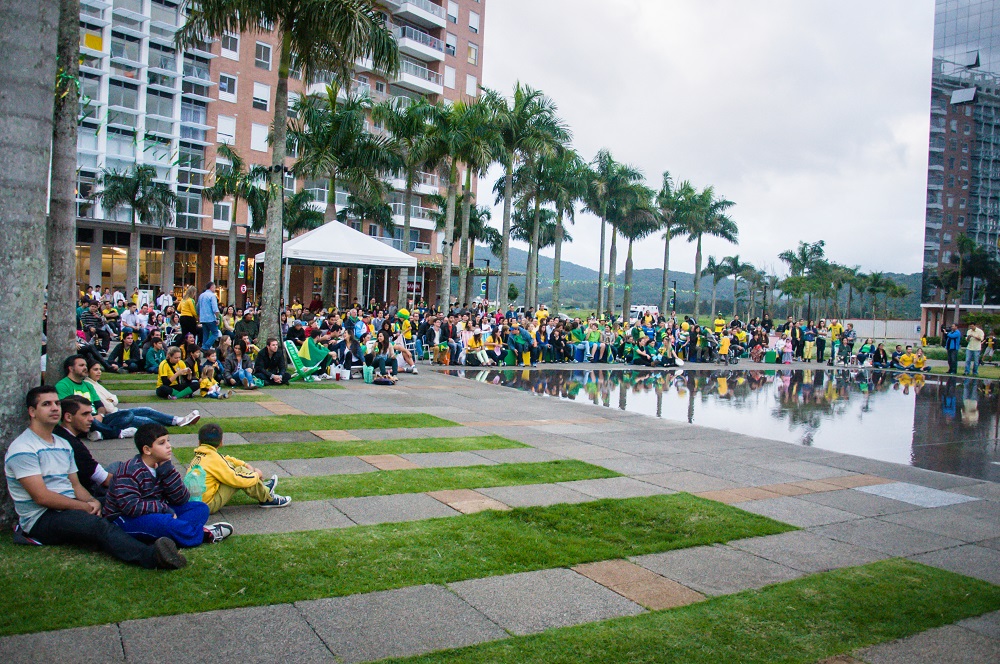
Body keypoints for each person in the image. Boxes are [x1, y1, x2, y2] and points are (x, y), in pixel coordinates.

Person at [5, 386, 187, 569]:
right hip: (42, 518)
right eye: (46, 404)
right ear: (32, 411)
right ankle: (151, 556)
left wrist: (93, 501)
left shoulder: (62, 443)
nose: (54, 408)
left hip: (70, 503)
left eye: (57, 403)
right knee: (98, 526)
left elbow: (75, 484)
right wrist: (84, 506)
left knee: (117, 503)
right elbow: (41, 497)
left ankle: (165, 532)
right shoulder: (23, 449)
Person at [104, 423, 232, 547]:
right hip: (124, 519)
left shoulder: (163, 465)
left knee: (200, 508)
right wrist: (164, 509)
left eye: (168, 441)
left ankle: (169, 534)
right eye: (162, 443)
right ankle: (204, 534)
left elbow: (181, 499)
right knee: (163, 522)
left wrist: (168, 472)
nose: (169, 446)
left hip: (155, 512)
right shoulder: (130, 470)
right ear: (147, 450)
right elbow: (130, 507)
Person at [87, 360, 200, 429]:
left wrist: (186, 374)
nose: (99, 372)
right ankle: (173, 423)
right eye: (95, 370)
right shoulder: (89, 385)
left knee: (147, 409)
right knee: (146, 420)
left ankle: (178, 420)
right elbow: (108, 405)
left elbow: (114, 399)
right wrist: (178, 373)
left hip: (115, 411)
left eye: (99, 369)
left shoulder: (95, 383)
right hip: (113, 414)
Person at [54, 396, 112, 496]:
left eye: (91, 413)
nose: (91, 419)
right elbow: (106, 480)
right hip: (87, 493)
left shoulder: (58, 433)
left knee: (118, 467)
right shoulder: (73, 446)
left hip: (76, 488)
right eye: (85, 414)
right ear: (68, 417)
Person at [197, 282, 221, 350]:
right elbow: (215, 308)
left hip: (203, 318)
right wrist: (217, 318)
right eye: (214, 287)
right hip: (210, 318)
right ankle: (205, 347)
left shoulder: (201, 295)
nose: (215, 288)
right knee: (215, 333)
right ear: (211, 287)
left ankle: (205, 351)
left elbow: (198, 307)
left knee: (205, 334)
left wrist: (199, 316)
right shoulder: (212, 296)